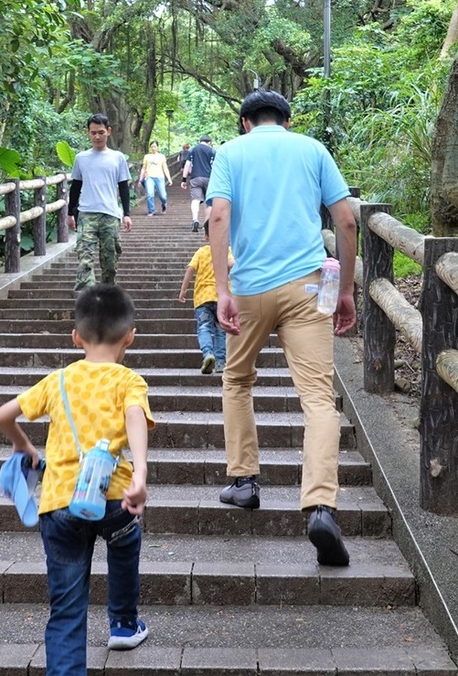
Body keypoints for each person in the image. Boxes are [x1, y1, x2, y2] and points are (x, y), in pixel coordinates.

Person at [205, 89, 358, 567]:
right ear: (286, 121)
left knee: (237, 379)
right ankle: (320, 506)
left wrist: (222, 289)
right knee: (316, 397)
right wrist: (347, 290)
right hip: (308, 288)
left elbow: (218, 216)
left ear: (246, 122)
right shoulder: (312, 149)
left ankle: (245, 481)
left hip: (250, 287)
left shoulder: (230, 152)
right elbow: (347, 221)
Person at [0, 284, 155, 673]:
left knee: (66, 609)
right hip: (114, 497)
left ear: (76, 336)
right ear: (130, 335)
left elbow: (2, 416)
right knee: (125, 537)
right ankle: (123, 623)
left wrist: (26, 449)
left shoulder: (57, 381)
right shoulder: (128, 380)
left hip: (60, 502)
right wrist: (142, 470)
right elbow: (135, 417)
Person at [68, 114, 133, 292]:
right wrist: (69, 213)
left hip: (110, 214)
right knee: (85, 258)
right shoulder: (81, 158)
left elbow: (123, 187)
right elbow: (76, 186)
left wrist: (127, 214)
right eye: (93, 133)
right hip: (86, 213)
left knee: (110, 261)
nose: (97, 137)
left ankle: (107, 296)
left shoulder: (118, 158)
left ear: (108, 132)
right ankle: (85, 299)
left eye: (101, 132)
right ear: (88, 133)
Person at [177, 221, 233, 374]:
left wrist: (183, 290)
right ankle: (221, 362)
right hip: (221, 298)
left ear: (206, 236)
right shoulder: (227, 251)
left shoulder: (201, 252)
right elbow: (232, 264)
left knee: (204, 327)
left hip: (202, 299)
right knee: (221, 330)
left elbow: (190, 269)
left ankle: (208, 354)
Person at [180, 134, 216, 233]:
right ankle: (206, 224)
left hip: (195, 178)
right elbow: (216, 165)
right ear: (209, 142)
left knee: (195, 200)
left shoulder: (192, 150)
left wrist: (184, 179)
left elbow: (187, 164)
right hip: (209, 178)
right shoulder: (212, 151)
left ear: (200, 141)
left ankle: (195, 219)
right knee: (208, 202)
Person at [137, 141, 170, 216]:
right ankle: (151, 210)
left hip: (159, 177)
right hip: (149, 177)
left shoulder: (162, 156)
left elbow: (165, 168)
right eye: (152, 146)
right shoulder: (147, 156)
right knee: (150, 194)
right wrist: (140, 179)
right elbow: (143, 168)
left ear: (157, 147)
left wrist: (169, 178)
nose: (153, 148)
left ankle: (164, 204)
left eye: (155, 146)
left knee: (163, 196)